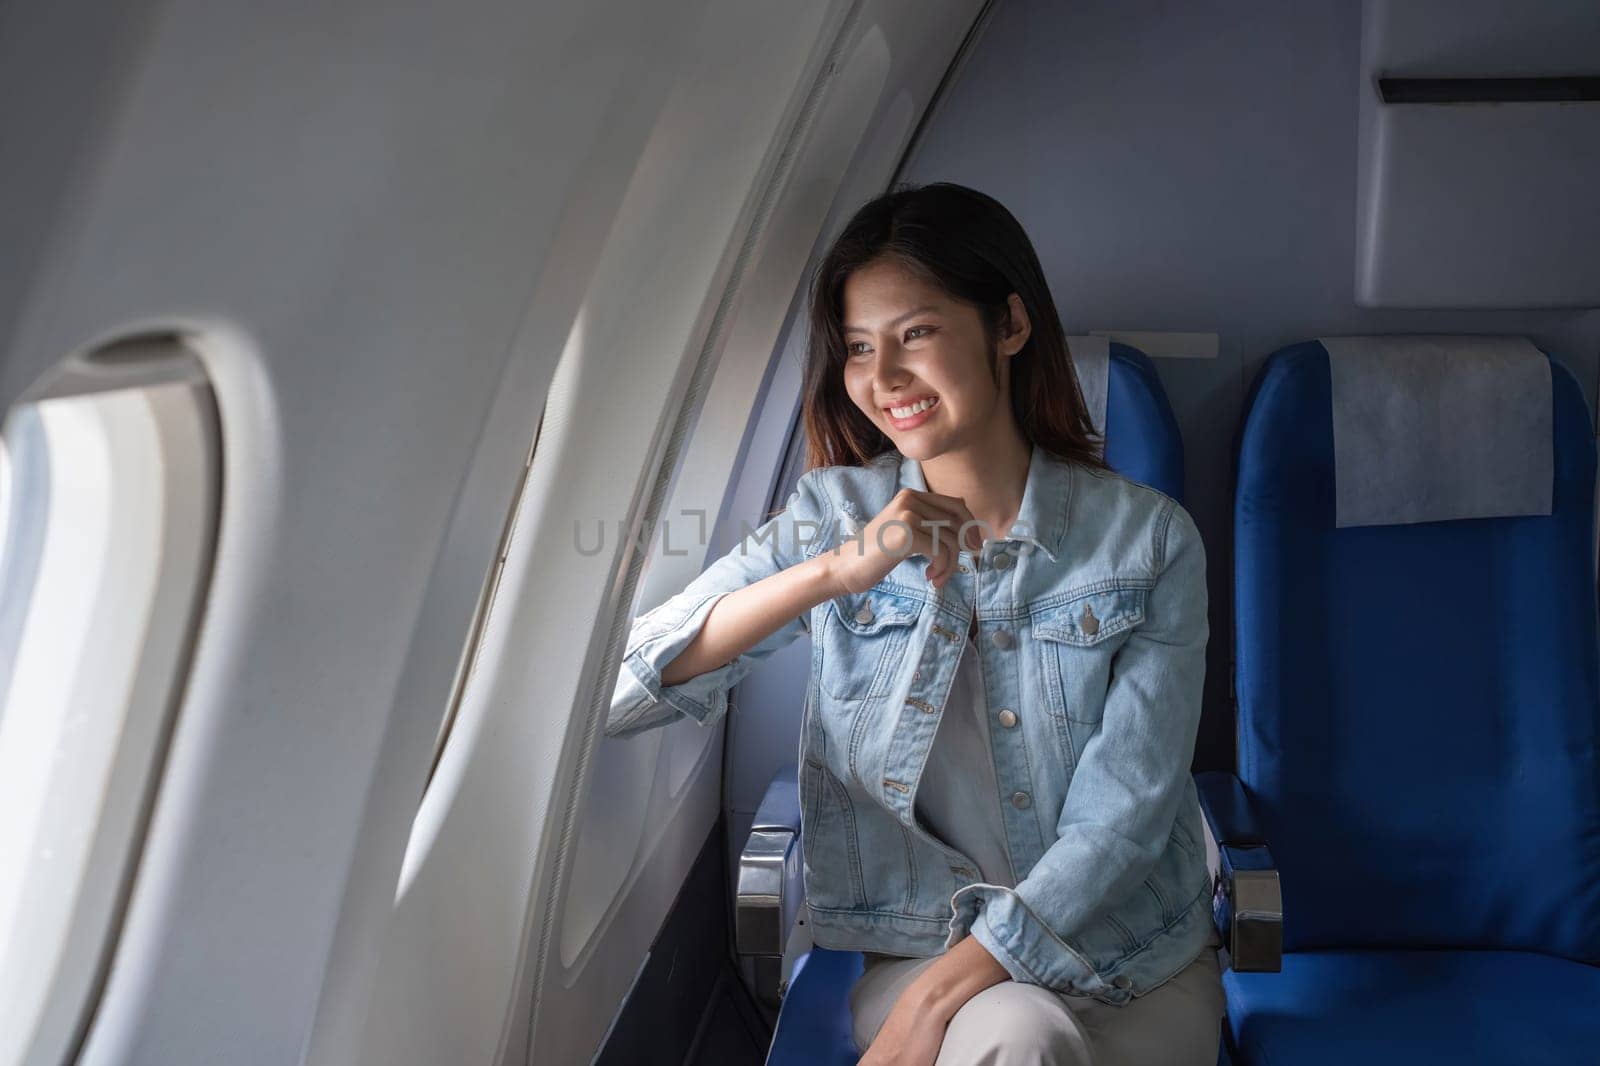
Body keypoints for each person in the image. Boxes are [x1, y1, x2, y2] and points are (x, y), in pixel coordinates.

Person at [606, 182, 1223, 1065]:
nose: (883, 378)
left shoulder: (1149, 542)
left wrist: (945, 989)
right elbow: (628, 689)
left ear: (1009, 325)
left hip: (1127, 957)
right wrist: (840, 569)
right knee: (1016, 1036)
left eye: (916, 334)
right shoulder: (835, 517)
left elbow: (1123, 818)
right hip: (927, 946)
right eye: (859, 348)